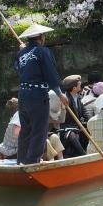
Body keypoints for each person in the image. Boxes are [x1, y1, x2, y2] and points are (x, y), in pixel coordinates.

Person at [15, 23, 69, 165]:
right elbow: (50, 74)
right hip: (37, 94)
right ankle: (33, 161)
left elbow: (19, 70)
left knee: (25, 128)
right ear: (41, 37)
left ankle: (21, 160)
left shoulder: (21, 53)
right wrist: (60, 94)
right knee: (40, 128)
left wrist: (22, 51)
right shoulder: (43, 51)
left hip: (23, 94)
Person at [60, 75, 87, 157]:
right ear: (74, 88)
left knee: (88, 130)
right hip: (66, 128)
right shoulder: (65, 99)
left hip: (77, 126)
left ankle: (87, 153)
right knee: (72, 135)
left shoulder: (78, 97)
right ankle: (83, 155)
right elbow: (64, 119)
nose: (81, 85)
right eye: (79, 84)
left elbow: (85, 113)